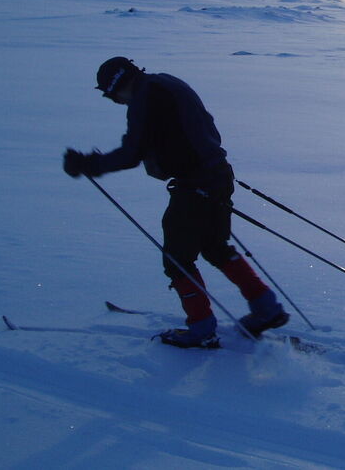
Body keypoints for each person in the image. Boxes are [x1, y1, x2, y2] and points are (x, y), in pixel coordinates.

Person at [63, 56, 289, 348]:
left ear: (117, 86)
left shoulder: (146, 98)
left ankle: (200, 327)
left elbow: (132, 153)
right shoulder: (167, 82)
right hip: (218, 175)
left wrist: (89, 164)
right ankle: (266, 308)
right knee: (216, 247)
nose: (115, 102)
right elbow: (206, 127)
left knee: (177, 259)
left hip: (195, 186)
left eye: (111, 95)